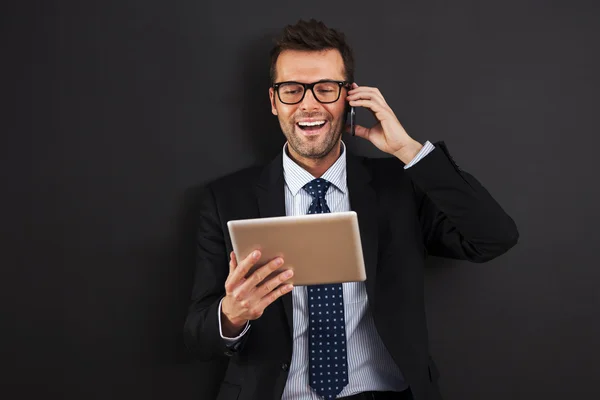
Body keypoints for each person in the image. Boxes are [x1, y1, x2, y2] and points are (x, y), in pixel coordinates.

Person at [183, 19, 518, 400]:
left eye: (325, 89)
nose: (309, 104)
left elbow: (494, 238)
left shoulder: (401, 186)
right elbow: (198, 338)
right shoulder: (226, 200)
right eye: (292, 90)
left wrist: (410, 151)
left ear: (350, 97)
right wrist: (233, 313)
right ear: (274, 101)